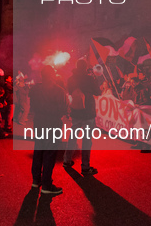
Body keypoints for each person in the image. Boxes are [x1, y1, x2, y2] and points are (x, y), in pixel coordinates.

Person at [30, 65, 68, 194]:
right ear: (52, 75)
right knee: (49, 154)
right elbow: (63, 110)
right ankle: (46, 185)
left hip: (39, 123)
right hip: (52, 124)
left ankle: (36, 180)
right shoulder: (59, 90)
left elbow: (32, 106)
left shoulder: (35, 89)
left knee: (38, 151)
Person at [63, 59, 101, 175]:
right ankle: (85, 166)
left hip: (76, 111)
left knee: (73, 137)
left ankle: (67, 160)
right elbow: (98, 92)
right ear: (85, 68)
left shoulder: (70, 79)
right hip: (88, 112)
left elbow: (69, 91)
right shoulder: (89, 78)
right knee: (86, 139)